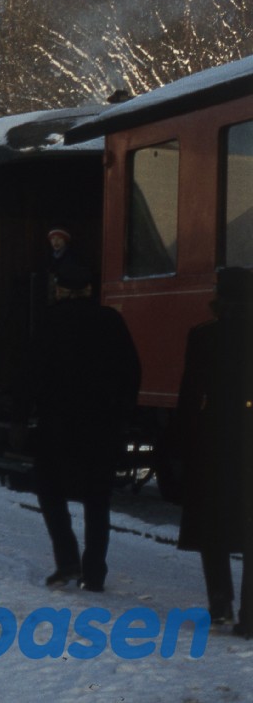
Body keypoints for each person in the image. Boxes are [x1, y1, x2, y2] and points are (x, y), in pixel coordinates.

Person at [25, 263, 141, 592]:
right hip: (101, 426)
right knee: (97, 499)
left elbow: (30, 373)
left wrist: (22, 415)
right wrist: (123, 414)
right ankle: (94, 572)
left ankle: (67, 562)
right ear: (89, 290)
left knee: (50, 493)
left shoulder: (49, 322)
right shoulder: (111, 321)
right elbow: (132, 371)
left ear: (60, 289)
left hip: (56, 425)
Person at [176, 267, 253, 637]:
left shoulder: (203, 336)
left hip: (214, 440)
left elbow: (190, 395)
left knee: (214, 525)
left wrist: (182, 439)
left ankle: (220, 602)